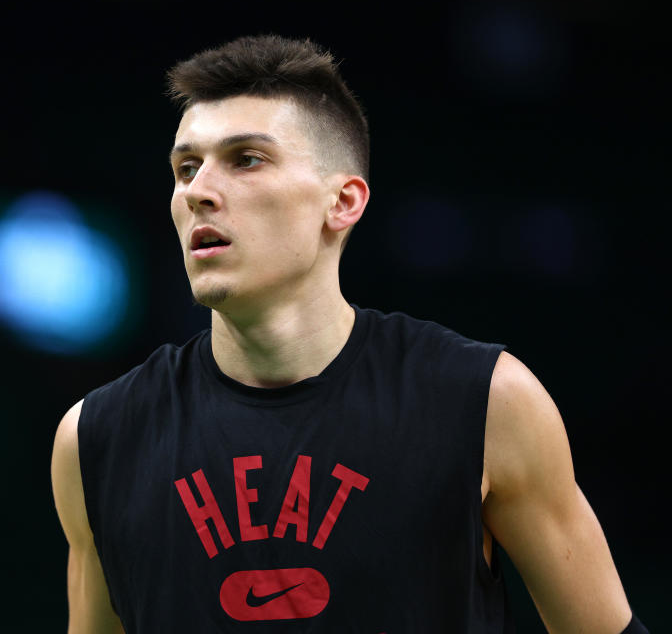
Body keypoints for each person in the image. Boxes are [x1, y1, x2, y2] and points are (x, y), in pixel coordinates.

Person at [50, 35, 646, 633]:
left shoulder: (486, 402)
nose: (198, 190)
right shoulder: (96, 437)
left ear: (343, 202)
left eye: (246, 159)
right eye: (186, 167)